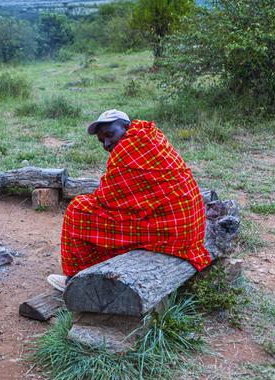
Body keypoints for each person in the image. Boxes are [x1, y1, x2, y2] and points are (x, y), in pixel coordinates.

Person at [47, 110, 209, 292]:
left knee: (78, 210)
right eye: (102, 141)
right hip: (189, 226)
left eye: (110, 135)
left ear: (126, 126)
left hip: (172, 231)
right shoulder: (150, 136)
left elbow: (105, 200)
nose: (107, 144)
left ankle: (75, 280)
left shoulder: (127, 149)